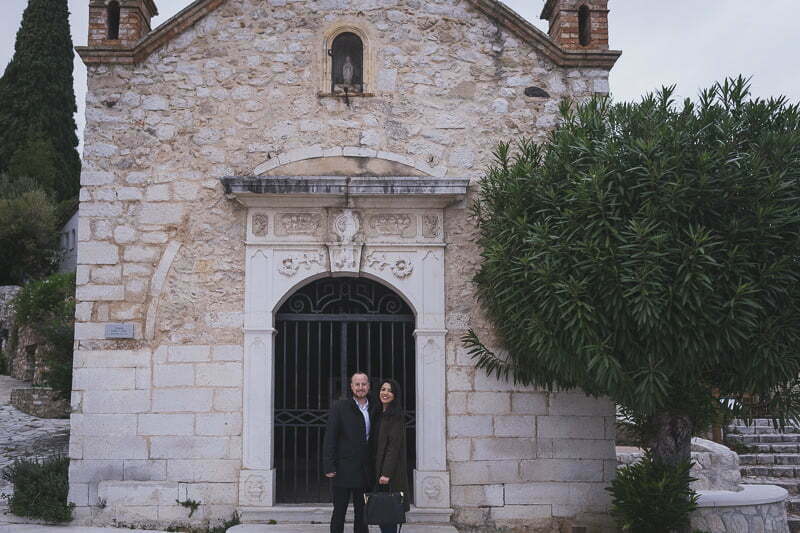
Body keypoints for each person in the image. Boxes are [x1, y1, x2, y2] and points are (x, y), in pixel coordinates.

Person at [323, 372, 374, 533]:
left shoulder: (375, 407)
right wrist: (329, 466)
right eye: (357, 384)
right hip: (343, 469)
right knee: (339, 512)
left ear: (369, 386)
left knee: (362, 513)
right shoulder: (340, 407)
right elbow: (330, 437)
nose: (360, 387)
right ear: (351, 387)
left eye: (363, 384)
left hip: (365, 469)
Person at [372, 379, 410, 533]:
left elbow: (393, 447)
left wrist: (386, 473)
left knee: (389, 513)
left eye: (389, 390)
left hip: (389, 473)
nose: (385, 393)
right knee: (383, 512)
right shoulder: (378, 414)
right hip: (377, 468)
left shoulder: (396, 416)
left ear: (395, 395)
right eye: (383, 389)